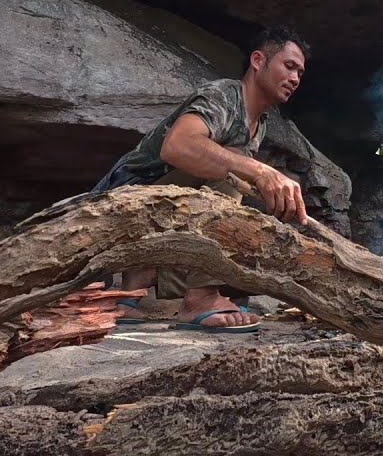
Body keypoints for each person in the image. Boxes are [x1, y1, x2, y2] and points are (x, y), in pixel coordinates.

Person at [92, 26, 310, 333]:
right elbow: (177, 146)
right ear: (259, 61)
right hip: (117, 207)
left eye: (300, 72)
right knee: (233, 172)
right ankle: (199, 298)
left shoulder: (259, 122)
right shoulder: (224, 96)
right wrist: (261, 171)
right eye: (289, 66)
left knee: (248, 209)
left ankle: (139, 280)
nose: (296, 78)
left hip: (156, 217)